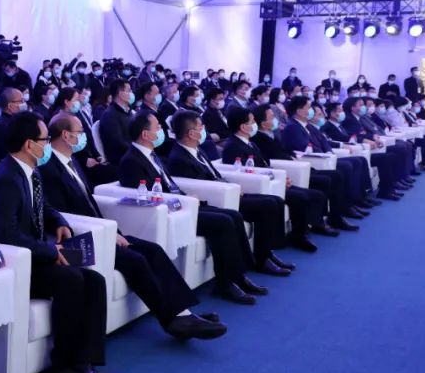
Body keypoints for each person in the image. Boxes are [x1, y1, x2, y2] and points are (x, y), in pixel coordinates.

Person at [42, 114, 227, 339]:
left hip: (101, 231)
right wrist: (106, 234)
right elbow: (61, 215)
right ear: (66, 135)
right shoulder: (49, 168)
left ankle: (184, 313)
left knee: (153, 250)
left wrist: (113, 232)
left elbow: (88, 204)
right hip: (78, 242)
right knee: (136, 259)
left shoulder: (71, 161)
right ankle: (172, 321)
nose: (84, 137)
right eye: (80, 132)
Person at [0, 112, 116, 373]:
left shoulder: (29, 170)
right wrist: (52, 251)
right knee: (71, 279)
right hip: (16, 264)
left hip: (36, 256)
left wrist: (58, 221)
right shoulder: (7, 179)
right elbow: (6, 235)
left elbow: (43, 206)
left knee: (94, 280)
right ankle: (63, 366)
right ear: (29, 144)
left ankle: (85, 364)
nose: (48, 145)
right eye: (44, 140)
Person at [116, 112, 265, 305]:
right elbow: (146, 198)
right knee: (223, 222)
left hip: (181, 204)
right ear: (145, 134)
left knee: (233, 215)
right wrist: (181, 201)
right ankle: (225, 284)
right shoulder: (132, 161)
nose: (162, 131)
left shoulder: (151, 154)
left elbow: (169, 185)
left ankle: (239, 276)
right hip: (169, 213)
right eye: (158, 128)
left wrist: (186, 199)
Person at [167, 111, 293, 276]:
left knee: (275, 200)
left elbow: (214, 175)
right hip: (217, 198)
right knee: (266, 206)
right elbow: (200, 185)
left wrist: (232, 186)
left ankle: (267, 253)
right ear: (191, 133)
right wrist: (229, 189)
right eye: (201, 127)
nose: (204, 130)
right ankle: (260, 260)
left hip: (227, 191)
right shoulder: (179, 157)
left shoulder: (197, 150)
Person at [221, 107, 331, 252]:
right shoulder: (233, 146)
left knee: (314, 194)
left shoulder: (250, 143)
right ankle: (295, 238)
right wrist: (275, 180)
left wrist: (281, 178)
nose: (255, 124)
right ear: (243, 127)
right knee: (299, 198)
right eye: (252, 122)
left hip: (270, 182)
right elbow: (244, 172)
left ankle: (303, 232)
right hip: (258, 187)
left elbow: (264, 165)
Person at [250, 104, 357, 232]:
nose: (276, 119)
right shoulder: (258, 139)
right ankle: (321, 222)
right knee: (326, 180)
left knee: (336, 175)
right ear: (263, 123)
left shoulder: (273, 133)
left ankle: (336, 215)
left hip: (295, 164)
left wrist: (293, 157)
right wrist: (291, 161)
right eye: (272, 117)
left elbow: (285, 150)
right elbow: (270, 159)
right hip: (287, 170)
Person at [280, 96, 377, 216]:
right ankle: (345, 208)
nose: (311, 110)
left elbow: (324, 141)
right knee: (346, 167)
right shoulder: (292, 127)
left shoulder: (307, 125)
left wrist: (329, 152)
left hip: (326, 157)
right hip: (314, 162)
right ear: (299, 111)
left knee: (359, 160)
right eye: (308, 108)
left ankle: (359, 198)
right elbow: (304, 148)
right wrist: (325, 155)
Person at [326, 99, 408, 200]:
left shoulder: (343, 123)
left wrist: (370, 137)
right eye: (340, 111)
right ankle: (371, 193)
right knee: (383, 157)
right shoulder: (339, 123)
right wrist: (365, 139)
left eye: (342, 110)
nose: (343, 113)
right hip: (352, 151)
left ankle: (388, 188)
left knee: (389, 156)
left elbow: (354, 136)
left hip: (360, 148)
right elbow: (348, 138)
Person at [0, 87, 27, 167]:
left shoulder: (12, 122)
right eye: (21, 101)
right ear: (10, 106)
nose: (24, 104)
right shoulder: (4, 127)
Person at [97, 78, 136, 164]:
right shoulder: (109, 115)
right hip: (122, 160)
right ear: (121, 94)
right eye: (129, 91)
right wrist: (138, 150)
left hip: (132, 154)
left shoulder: (128, 112)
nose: (131, 93)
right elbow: (118, 143)